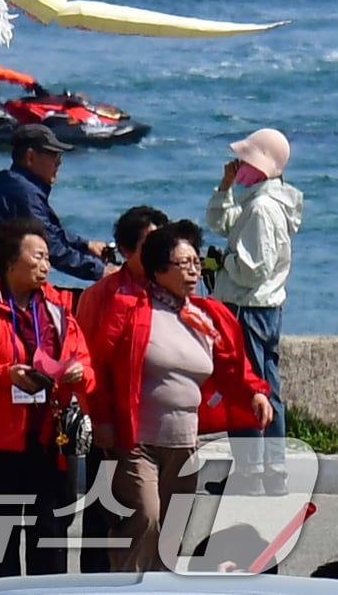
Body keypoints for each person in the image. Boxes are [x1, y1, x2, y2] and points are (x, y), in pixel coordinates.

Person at [88, 219, 272, 572]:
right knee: (145, 517)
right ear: (159, 270)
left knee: (172, 530)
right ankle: (124, 587)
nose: (193, 270)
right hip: (136, 440)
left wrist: (255, 393)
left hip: (185, 442)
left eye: (196, 262)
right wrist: (102, 420)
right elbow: (99, 365)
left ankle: (160, 588)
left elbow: (233, 367)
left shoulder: (207, 315)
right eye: (183, 263)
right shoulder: (129, 309)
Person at [0, 217, 94, 578]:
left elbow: (83, 360)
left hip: (50, 436)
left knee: (50, 532)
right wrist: (6, 375)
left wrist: (79, 373)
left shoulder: (57, 307)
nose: (46, 265)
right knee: (2, 537)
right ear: (10, 262)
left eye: (48, 257)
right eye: (38, 257)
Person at [205, 127, 302, 494]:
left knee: (247, 388)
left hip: (248, 308)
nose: (238, 164)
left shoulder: (262, 208)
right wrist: (225, 188)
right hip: (264, 308)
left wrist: (222, 262)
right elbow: (222, 223)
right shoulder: (262, 200)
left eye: (244, 160)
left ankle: (251, 473)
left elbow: (252, 268)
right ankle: (271, 470)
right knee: (266, 387)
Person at [75, 204, 169, 572]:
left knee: (161, 518)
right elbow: (88, 363)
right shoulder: (103, 295)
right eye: (150, 244)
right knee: (106, 515)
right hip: (114, 425)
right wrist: (99, 419)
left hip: (162, 428)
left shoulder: (172, 292)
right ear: (127, 249)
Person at [0, 123, 112, 281]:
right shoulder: (23, 192)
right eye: (54, 155)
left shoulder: (11, 182)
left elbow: (51, 230)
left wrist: (86, 245)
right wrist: (102, 272)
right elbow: (51, 246)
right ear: (30, 157)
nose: (59, 163)